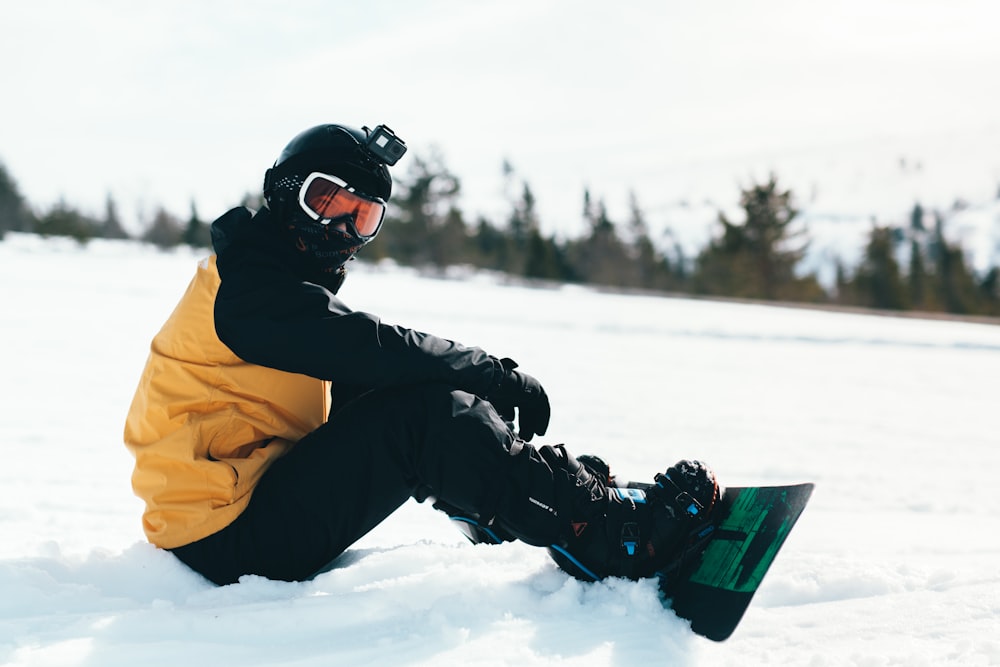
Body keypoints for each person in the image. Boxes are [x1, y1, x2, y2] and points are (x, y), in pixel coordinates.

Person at [123, 122, 719, 587]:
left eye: (365, 218)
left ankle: (521, 497)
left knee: (399, 396)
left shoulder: (263, 286)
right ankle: (611, 538)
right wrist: (491, 375)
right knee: (419, 415)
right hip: (226, 537)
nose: (345, 230)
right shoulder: (250, 294)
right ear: (284, 195)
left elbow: (369, 374)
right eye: (328, 202)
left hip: (234, 509)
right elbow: (373, 346)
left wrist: (482, 445)